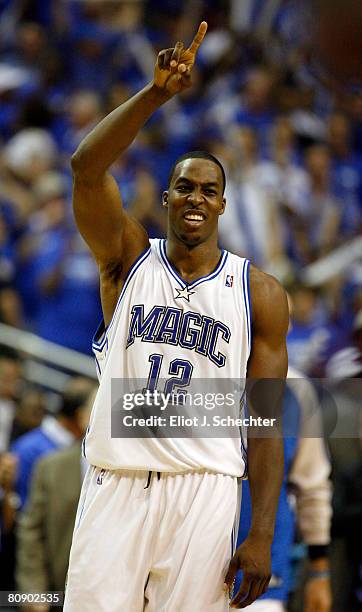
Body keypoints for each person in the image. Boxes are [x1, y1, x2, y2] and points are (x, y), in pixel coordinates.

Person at [65, 22, 289, 611]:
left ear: (222, 203)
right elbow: (86, 168)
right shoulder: (127, 258)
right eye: (183, 186)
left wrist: (262, 533)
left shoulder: (258, 292)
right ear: (166, 198)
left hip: (206, 493)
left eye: (208, 189)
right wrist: (157, 94)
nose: (195, 197)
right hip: (118, 480)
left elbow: (265, 424)